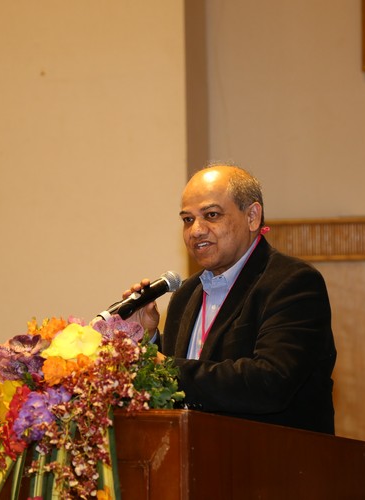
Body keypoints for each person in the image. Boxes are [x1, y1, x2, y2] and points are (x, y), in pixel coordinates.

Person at [125, 164, 336, 434]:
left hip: (273, 455)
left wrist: (165, 368)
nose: (196, 231)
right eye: (187, 220)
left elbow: (270, 382)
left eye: (211, 215)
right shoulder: (185, 295)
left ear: (252, 216)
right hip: (193, 453)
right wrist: (148, 339)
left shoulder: (292, 283)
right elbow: (179, 387)